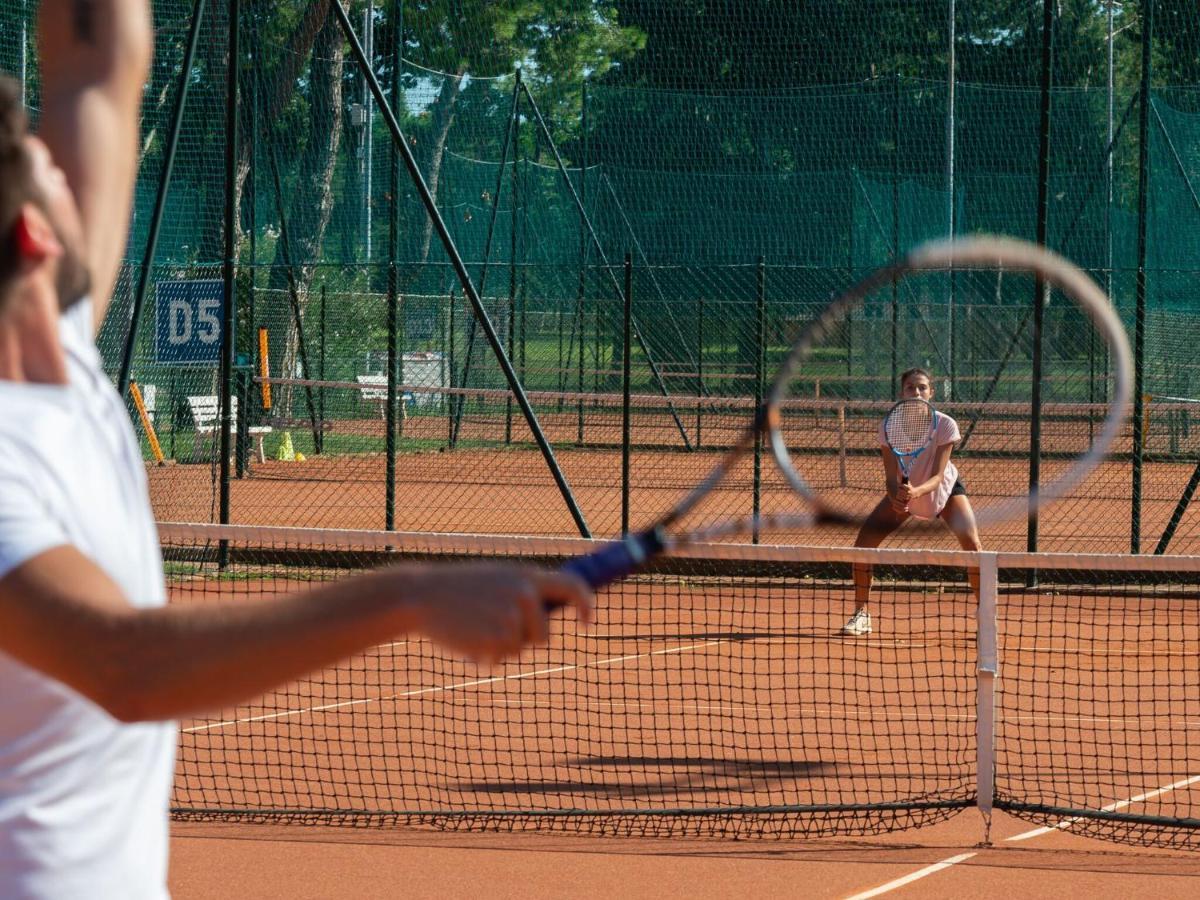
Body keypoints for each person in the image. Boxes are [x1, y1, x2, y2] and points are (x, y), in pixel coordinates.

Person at [0, 3, 592, 897]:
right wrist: (414, 593)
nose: (69, 169)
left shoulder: (64, 353)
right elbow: (129, 663)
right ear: (35, 237)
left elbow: (98, 59)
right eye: (47, 170)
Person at [843, 367, 982, 636]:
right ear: (901, 392)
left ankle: (985, 615)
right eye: (910, 387)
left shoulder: (945, 424)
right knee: (864, 544)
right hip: (904, 492)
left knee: (973, 546)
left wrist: (916, 492)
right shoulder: (888, 426)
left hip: (944, 490)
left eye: (922, 387)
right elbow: (889, 476)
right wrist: (896, 495)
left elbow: (938, 475)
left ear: (931, 392)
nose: (916, 392)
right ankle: (861, 613)